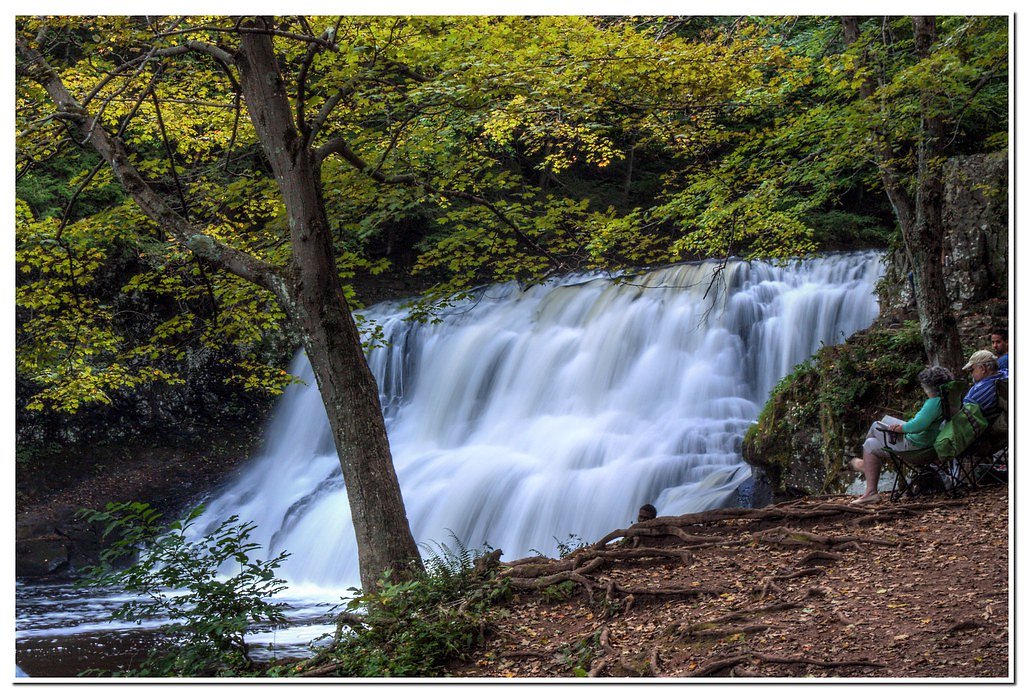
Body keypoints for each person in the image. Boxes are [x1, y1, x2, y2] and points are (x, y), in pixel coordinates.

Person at [849, 366, 955, 504]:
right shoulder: (947, 398)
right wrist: (901, 427)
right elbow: (921, 424)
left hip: (916, 447)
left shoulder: (934, 402)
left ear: (929, 386)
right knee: (870, 445)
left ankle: (864, 464)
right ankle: (871, 493)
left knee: (876, 426)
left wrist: (900, 429)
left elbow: (917, 426)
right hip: (925, 443)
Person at [962, 350, 1008, 422]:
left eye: (971, 370)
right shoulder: (1005, 375)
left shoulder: (984, 388)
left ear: (983, 368)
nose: (971, 374)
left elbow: (964, 414)